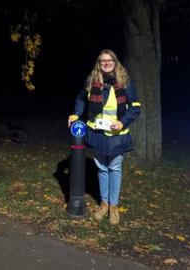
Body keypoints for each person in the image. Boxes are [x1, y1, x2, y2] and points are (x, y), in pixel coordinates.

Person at [68, 49, 141, 225]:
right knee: (101, 168)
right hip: (96, 134)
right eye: (103, 61)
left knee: (114, 168)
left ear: (115, 63)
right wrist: (77, 114)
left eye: (110, 60)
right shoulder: (92, 81)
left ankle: (114, 207)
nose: (106, 63)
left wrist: (122, 122)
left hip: (116, 135)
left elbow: (135, 107)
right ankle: (104, 204)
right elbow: (80, 98)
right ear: (98, 64)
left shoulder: (124, 82)